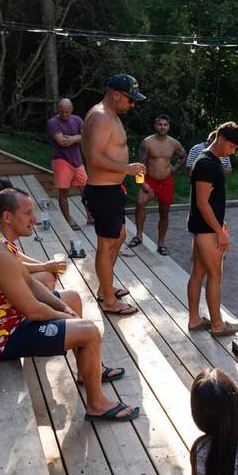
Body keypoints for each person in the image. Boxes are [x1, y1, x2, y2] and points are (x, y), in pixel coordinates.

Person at [0, 187, 139, 421]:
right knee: (89, 331)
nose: (34, 219)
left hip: (10, 320)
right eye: (27, 213)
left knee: (72, 298)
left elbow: (30, 283)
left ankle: (88, 369)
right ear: (8, 217)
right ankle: (96, 404)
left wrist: (64, 308)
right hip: (0, 339)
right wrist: (72, 319)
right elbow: (33, 311)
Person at [81, 73, 147, 316]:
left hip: (112, 188)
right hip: (102, 190)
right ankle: (108, 300)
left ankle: (104, 288)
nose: (133, 104)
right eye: (130, 99)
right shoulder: (99, 116)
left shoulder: (110, 115)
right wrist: (125, 169)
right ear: (116, 94)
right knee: (106, 244)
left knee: (119, 237)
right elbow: (94, 157)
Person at [186, 122, 238, 336]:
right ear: (221, 140)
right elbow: (202, 202)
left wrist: (220, 222)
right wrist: (218, 232)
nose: (233, 151)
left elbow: (211, 200)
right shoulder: (207, 164)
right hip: (205, 230)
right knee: (215, 275)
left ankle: (194, 320)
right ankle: (218, 325)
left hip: (205, 226)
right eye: (232, 147)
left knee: (199, 273)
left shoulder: (210, 160)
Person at [128, 114, 186, 255]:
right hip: (150, 179)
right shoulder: (147, 143)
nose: (163, 127)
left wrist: (174, 168)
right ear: (155, 126)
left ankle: (161, 244)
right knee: (140, 203)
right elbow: (139, 165)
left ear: (169, 126)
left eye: (165, 125)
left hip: (166, 181)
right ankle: (139, 235)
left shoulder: (173, 143)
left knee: (164, 214)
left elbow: (183, 155)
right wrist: (142, 184)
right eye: (160, 124)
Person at [46, 98, 91, 229]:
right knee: (64, 191)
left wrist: (74, 138)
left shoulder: (77, 120)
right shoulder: (53, 123)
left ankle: (90, 216)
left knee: (86, 191)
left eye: (67, 112)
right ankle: (68, 219)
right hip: (61, 160)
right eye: (61, 112)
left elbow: (87, 136)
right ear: (58, 110)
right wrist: (78, 137)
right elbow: (62, 142)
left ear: (72, 110)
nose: (64, 115)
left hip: (77, 161)